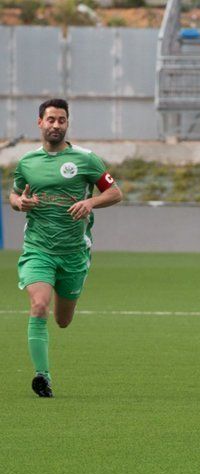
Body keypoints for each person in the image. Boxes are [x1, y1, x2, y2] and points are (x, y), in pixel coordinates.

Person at [10, 98, 123, 397]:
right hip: (38, 249)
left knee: (62, 320)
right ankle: (42, 376)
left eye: (61, 120)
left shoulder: (86, 159)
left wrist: (90, 201)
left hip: (74, 252)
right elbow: (14, 194)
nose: (56, 125)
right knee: (39, 306)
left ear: (67, 123)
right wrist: (20, 203)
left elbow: (115, 192)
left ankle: (66, 300)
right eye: (50, 119)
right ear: (40, 123)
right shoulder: (27, 163)